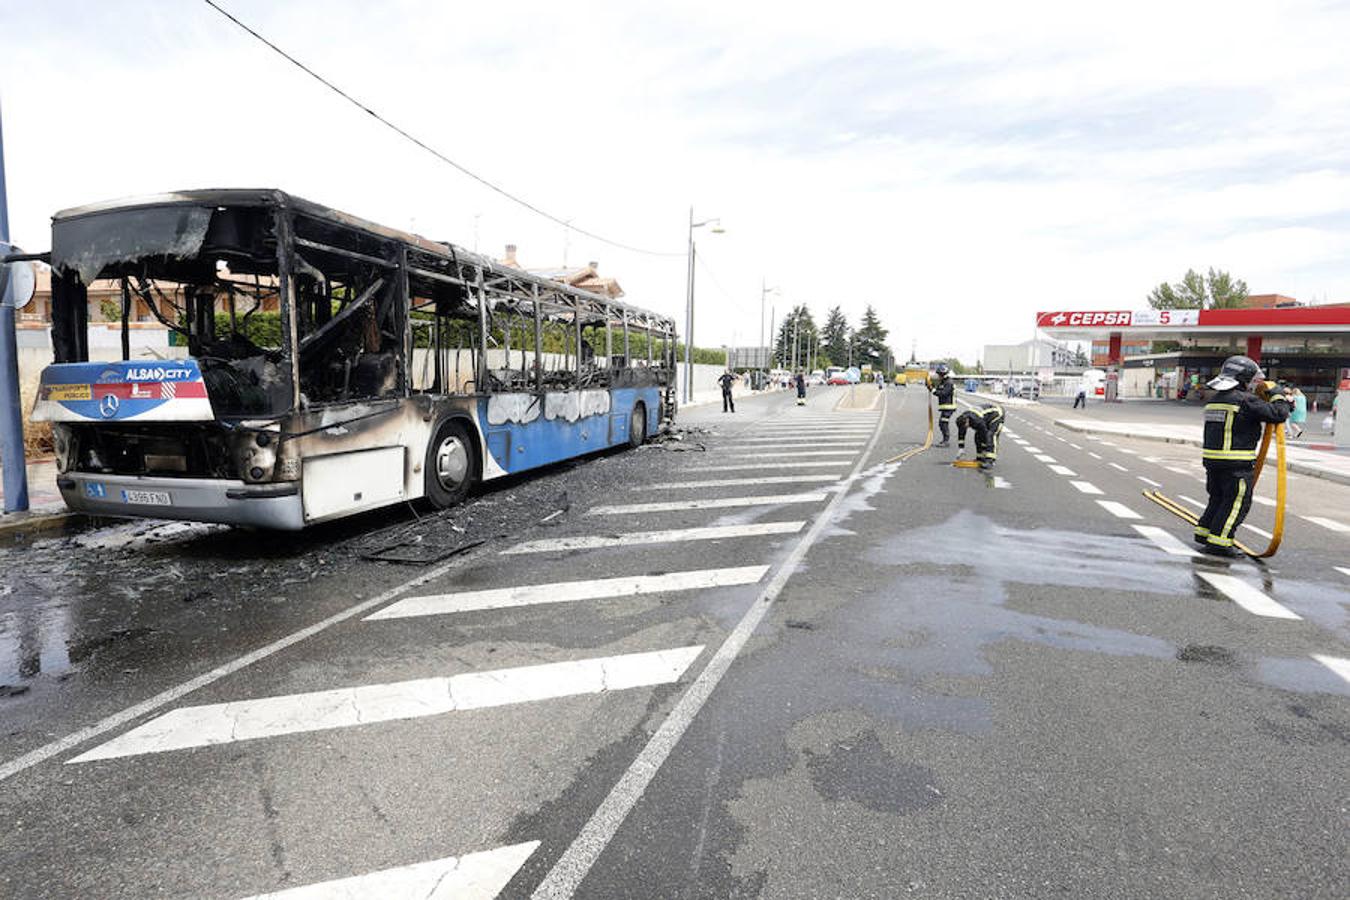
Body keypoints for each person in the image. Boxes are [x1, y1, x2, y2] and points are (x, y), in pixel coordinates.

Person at [1194, 355, 1290, 558]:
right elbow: (1279, 414)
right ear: (1245, 378)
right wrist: (1277, 394)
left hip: (1213, 461)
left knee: (1217, 499)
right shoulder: (1245, 401)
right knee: (1236, 502)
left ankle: (1204, 533)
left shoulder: (1216, 400)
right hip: (1236, 464)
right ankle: (1220, 542)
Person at [956, 402, 1004, 469]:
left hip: (996, 415)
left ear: (967, 421)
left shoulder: (976, 420)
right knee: (977, 437)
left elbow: (984, 434)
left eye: (966, 426)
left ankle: (990, 460)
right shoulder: (962, 419)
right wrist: (961, 448)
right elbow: (961, 433)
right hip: (986, 417)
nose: (967, 428)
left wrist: (985, 448)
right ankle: (980, 458)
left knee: (990, 436)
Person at [929, 363, 957, 447]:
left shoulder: (949, 382)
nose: (938, 376)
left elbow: (943, 393)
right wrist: (930, 386)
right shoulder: (943, 382)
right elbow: (937, 389)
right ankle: (945, 440)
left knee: (943, 423)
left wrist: (933, 391)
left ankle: (946, 441)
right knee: (942, 423)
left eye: (939, 374)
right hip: (945, 407)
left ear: (943, 374)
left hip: (949, 407)